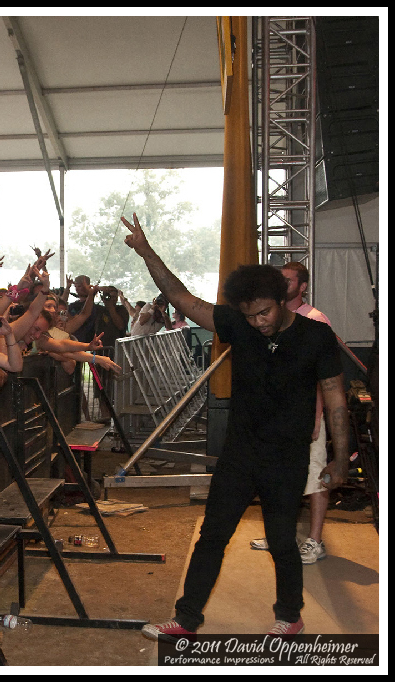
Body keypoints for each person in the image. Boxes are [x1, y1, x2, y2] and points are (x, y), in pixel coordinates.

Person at [121, 213, 349, 639]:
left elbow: (336, 401)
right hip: (240, 452)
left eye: (264, 313)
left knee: (282, 540)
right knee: (212, 534)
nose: (258, 322)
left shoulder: (315, 337)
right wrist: (145, 249)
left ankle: (290, 615)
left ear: (282, 302)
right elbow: (181, 296)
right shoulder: (238, 325)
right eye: (249, 316)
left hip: (288, 455)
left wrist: (339, 460)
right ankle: (186, 619)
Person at [249, 261, 336, 564]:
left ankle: (315, 540)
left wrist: (315, 416)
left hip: (308, 414)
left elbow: (324, 378)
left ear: (302, 287)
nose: (281, 284)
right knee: (275, 475)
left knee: (314, 477)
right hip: (277, 416)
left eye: (288, 280)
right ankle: (279, 534)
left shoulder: (315, 321)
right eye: (279, 279)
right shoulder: (272, 319)